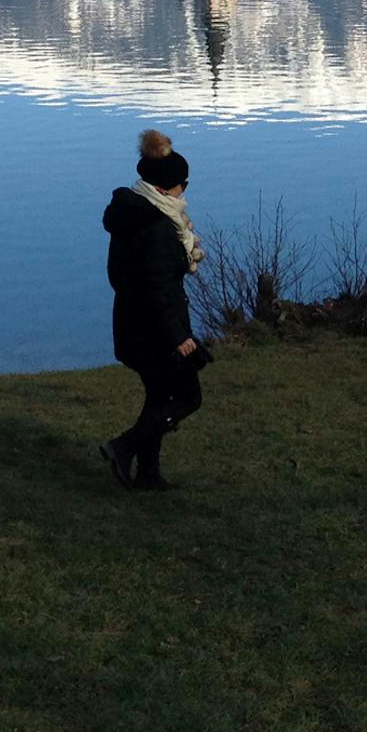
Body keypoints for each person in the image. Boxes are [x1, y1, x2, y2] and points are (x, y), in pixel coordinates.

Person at [99, 129, 210, 491]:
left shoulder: (134, 214)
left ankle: (148, 473)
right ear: (167, 188)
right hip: (156, 330)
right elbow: (158, 287)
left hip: (132, 323)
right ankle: (122, 447)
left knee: (160, 396)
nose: (186, 191)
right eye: (184, 184)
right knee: (187, 396)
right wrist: (179, 337)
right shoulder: (160, 227)